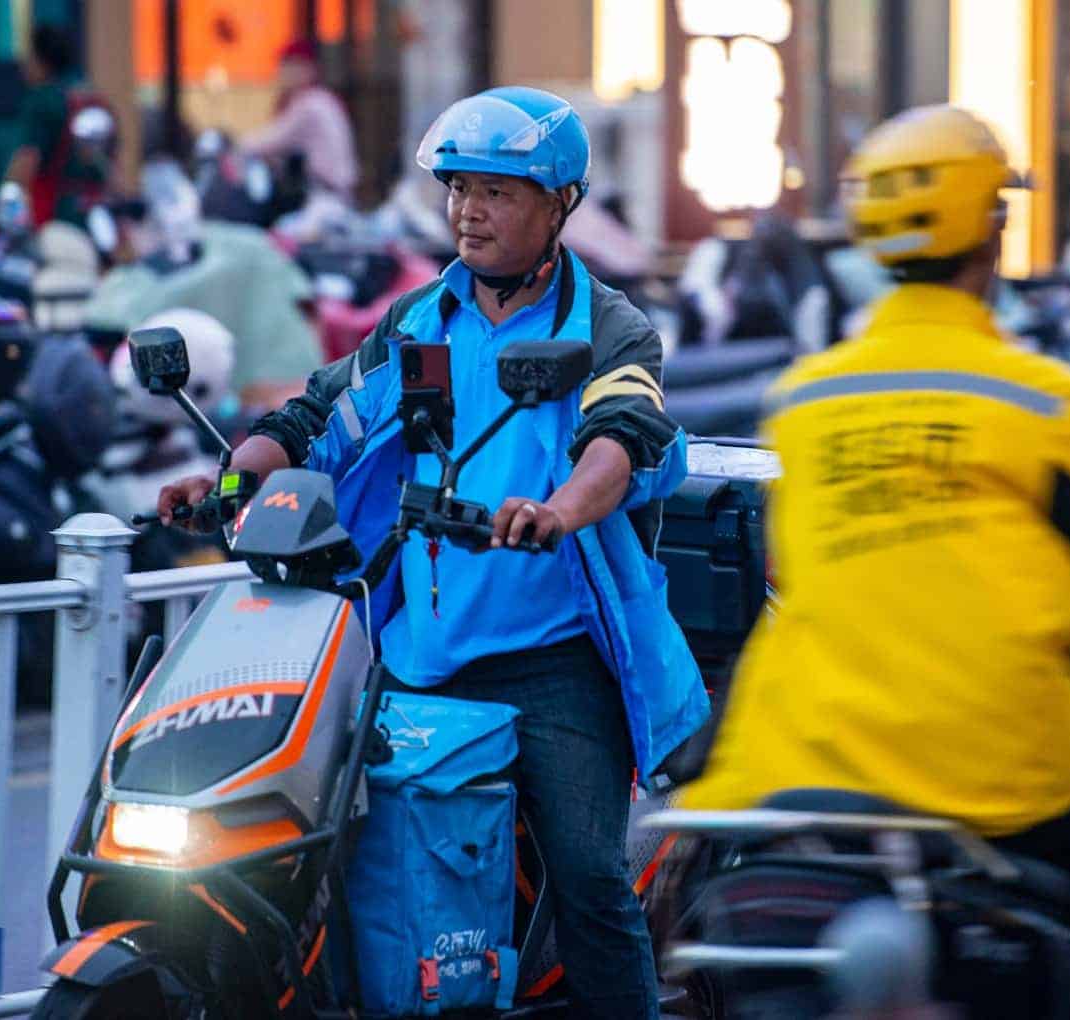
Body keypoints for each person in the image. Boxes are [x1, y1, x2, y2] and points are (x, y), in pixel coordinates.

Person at [160, 86, 707, 1019]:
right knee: (321, 845)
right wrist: (225, 483)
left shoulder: (606, 327)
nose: (468, 211)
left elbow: (623, 437)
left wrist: (559, 511)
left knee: (589, 878)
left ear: (559, 204)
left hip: (554, 662)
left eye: (496, 191)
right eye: (459, 189)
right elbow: (315, 418)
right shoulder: (418, 322)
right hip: (417, 655)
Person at [678, 105, 1070, 979]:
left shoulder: (802, 403)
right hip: (987, 773)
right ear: (994, 227)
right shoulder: (1040, 401)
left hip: (790, 766)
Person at [6, 24, 108, 227]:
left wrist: (8, 207)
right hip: (96, 216)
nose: (24, 65)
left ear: (42, 60)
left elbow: (27, 160)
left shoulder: (43, 100)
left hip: (53, 217)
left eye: (29, 56)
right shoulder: (93, 100)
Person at [239, 40, 359, 202]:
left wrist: (234, 146)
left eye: (290, 66)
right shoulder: (319, 98)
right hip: (327, 194)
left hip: (326, 197)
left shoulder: (311, 104)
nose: (282, 73)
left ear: (309, 69)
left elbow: (267, 141)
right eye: (283, 66)